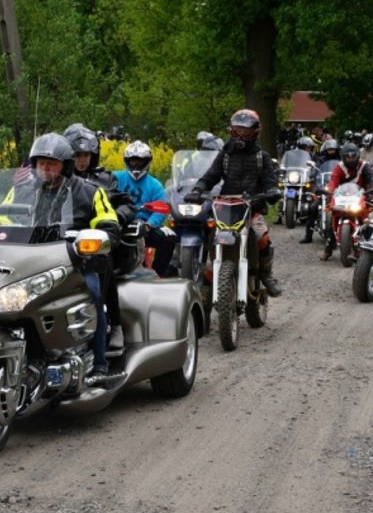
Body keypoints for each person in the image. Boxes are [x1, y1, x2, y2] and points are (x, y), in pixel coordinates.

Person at [8, 132, 123, 384]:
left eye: (52, 164)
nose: (45, 169)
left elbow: (110, 226)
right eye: (41, 163)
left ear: (65, 166)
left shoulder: (90, 192)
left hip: (76, 265)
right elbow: (0, 221)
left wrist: (88, 242)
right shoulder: (21, 192)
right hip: (28, 265)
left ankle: (100, 363)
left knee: (91, 294)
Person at [185, 109, 283, 296]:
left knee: (261, 236)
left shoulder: (262, 157)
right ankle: (207, 276)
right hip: (226, 208)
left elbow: (270, 180)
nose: (240, 134)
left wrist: (272, 191)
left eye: (245, 131)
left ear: (254, 131)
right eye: (237, 130)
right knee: (209, 233)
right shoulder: (225, 154)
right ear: (231, 131)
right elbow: (211, 175)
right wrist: (198, 189)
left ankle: (265, 274)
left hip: (252, 208)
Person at [63, 124, 134, 352]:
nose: (82, 160)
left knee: (104, 264)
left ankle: (115, 325)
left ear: (93, 155)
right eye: (77, 155)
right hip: (62, 241)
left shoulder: (104, 179)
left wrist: (115, 220)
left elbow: (126, 203)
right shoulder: (56, 178)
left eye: (86, 155)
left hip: (94, 241)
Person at [114, 140, 177, 278]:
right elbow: (102, 188)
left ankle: (158, 274)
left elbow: (161, 208)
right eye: (132, 161)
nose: (136, 165)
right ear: (126, 161)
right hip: (118, 224)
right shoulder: (116, 178)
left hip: (144, 227)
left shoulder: (155, 185)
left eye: (140, 161)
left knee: (169, 238)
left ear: (147, 162)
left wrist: (150, 224)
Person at [321, 142, 373, 260]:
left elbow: (371, 178)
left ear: (357, 155)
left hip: (361, 196)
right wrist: (330, 191)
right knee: (330, 221)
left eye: (353, 156)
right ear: (344, 157)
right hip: (342, 197)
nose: (351, 159)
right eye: (348, 156)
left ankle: (371, 249)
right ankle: (328, 249)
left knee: (370, 221)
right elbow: (333, 182)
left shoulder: (364, 166)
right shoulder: (339, 167)